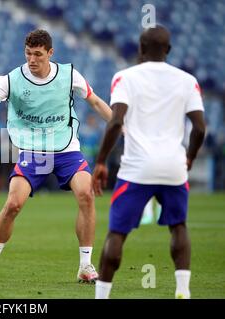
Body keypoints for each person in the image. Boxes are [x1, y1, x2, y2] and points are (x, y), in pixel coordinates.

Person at [0, 29, 112, 283]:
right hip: (33, 150)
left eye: (38, 54)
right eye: (28, 54)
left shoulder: (69, 75)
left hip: (66, 148)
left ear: (50, 53)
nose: (32, 60)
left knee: (86, 195)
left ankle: (85, 265)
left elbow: (96, 102)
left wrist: (120, 123)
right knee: (13, 204)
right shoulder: (13, 79)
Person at [92, 25, 206, 299]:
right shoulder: (187, 80)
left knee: (117, 233)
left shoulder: (125, 78)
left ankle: (102, 295)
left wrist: (101, 162)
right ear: (168, 50)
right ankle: (182, 291)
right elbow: (200, 128)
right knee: (178, 226)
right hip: (173, 167)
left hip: (137, 168)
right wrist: (188, 157)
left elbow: (116, 120)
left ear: (140, 49)